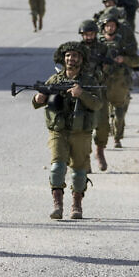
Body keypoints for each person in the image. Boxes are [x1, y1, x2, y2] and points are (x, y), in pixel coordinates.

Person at [32, 42, 103, 220]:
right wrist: (38, 98)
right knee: (57, 167)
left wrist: (81, 94)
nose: (71, 59)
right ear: (63, 58)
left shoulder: (89, 81)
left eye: (75, 56)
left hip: (81, 133)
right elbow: (39, 100)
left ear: (82, 59)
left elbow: (97, 104)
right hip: (59, 131)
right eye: (68, 55)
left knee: (79, 172)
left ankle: (76, 205)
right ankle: (57, 205)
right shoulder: (55, 80)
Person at [99, 15, 139, 150]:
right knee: (101, 113)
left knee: (119, 113)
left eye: (113, 26)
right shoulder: (98, 44)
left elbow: (136, 61)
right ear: (103, 28)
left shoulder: (123, 43)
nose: (110, 28)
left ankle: (117, 138)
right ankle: (101, 140)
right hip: (102, 82)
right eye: (108, 26)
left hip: (119, 82)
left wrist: (124, 59)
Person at [78, 20, 111, 171]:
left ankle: (100, 151)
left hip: (98, 90)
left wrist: (104, 69)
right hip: (81, 91)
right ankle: (84, 159)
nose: (89, 37)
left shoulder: (103, 49)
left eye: (91, 34)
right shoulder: (77, 49)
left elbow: (110, 68)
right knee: (81, 126)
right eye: (86, 34)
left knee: (103, 124)